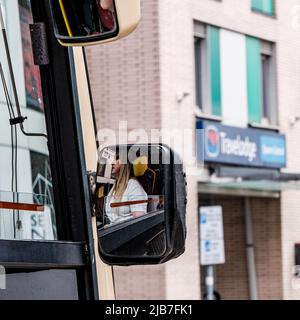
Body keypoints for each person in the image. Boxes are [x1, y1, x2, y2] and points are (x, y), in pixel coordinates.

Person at [104, 157, 148, 225]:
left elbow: (139, 222)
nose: (112, 162)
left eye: (117, 158)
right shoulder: (115, 185)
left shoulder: (133, 185)